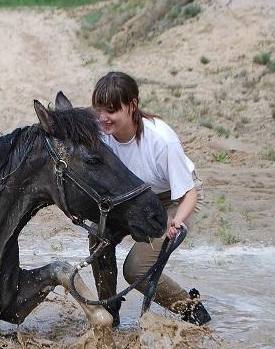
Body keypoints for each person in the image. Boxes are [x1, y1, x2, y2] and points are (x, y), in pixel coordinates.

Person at [89, 71, 210, 326]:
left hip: (175, 200)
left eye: (111, 110)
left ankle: (192, 310)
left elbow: (189, 192)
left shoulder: (161, 140)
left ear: (132, 105)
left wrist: (177, 221)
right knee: (98, 234)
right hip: (136, 198)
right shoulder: (101, 134)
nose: (103, 118)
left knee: (136, 269)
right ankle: (109, 314)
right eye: (98, 109)